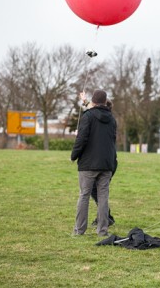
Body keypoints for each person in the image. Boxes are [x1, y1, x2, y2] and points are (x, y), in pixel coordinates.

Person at [71, 89, 117, 237]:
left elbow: (81, 139)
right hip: (107, 163)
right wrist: (84, 101)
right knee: (103, 197)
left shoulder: (88, 116)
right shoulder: (112, 118)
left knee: (84, 195)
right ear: (105, 101)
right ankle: (102, 230)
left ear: (93, 101)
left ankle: (79, 230)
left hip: (88, 164)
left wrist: (73, 155)